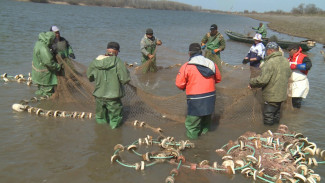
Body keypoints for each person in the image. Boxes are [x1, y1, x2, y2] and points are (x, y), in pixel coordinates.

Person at [175, 43, 222, 139]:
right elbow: (218, 79)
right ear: (201, 52)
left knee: (192, 125)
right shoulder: (212, 63)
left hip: (196, 98)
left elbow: (179, 84)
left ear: (189, 54)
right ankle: (205, 143)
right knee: (206, 121)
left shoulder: (187, 66)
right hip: (210, 97)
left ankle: (193, 147)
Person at [87, 42, 130, 128]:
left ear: (107, 50)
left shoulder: (95, 61)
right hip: (113, 97)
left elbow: (90, 77)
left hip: (99, 96)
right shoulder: (117, 61)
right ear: (117, 51)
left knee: (100, 117)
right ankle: (114, 136)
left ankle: (102, 134)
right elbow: (125, 79)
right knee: (115, 119)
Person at [249, 42, 292, 125]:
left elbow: (262, 80)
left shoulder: (269, 62)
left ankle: (268, 132)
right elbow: (289, 74)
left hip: (271, 96)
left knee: (268, 116)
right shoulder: (285, 60)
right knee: (276, 115)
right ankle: (275, 133)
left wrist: (251, 82)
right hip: (282, 94)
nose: (266, 52)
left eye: (267, 51)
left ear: (271, 50)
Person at [32, 31, 62, 97]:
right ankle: (45, 102)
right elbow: (49, 62)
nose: (53, 42)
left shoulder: (38, 43)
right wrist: (58, 66)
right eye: (53, 40)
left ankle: (38, 99)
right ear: (50, 39)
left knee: (41, 89)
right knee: (48, 92)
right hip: (45, 75)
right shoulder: (44, 49)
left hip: (37, 71)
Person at [287, 44, 312, 108]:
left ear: (295, 50)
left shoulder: (303, 57)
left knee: (296, 102)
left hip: (299, 83)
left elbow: (308, 65)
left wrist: (296, 66)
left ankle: (296, 113)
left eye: (290, 50)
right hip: (290, 83)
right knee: (288, 101)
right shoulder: (289, 59)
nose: (288, 52)